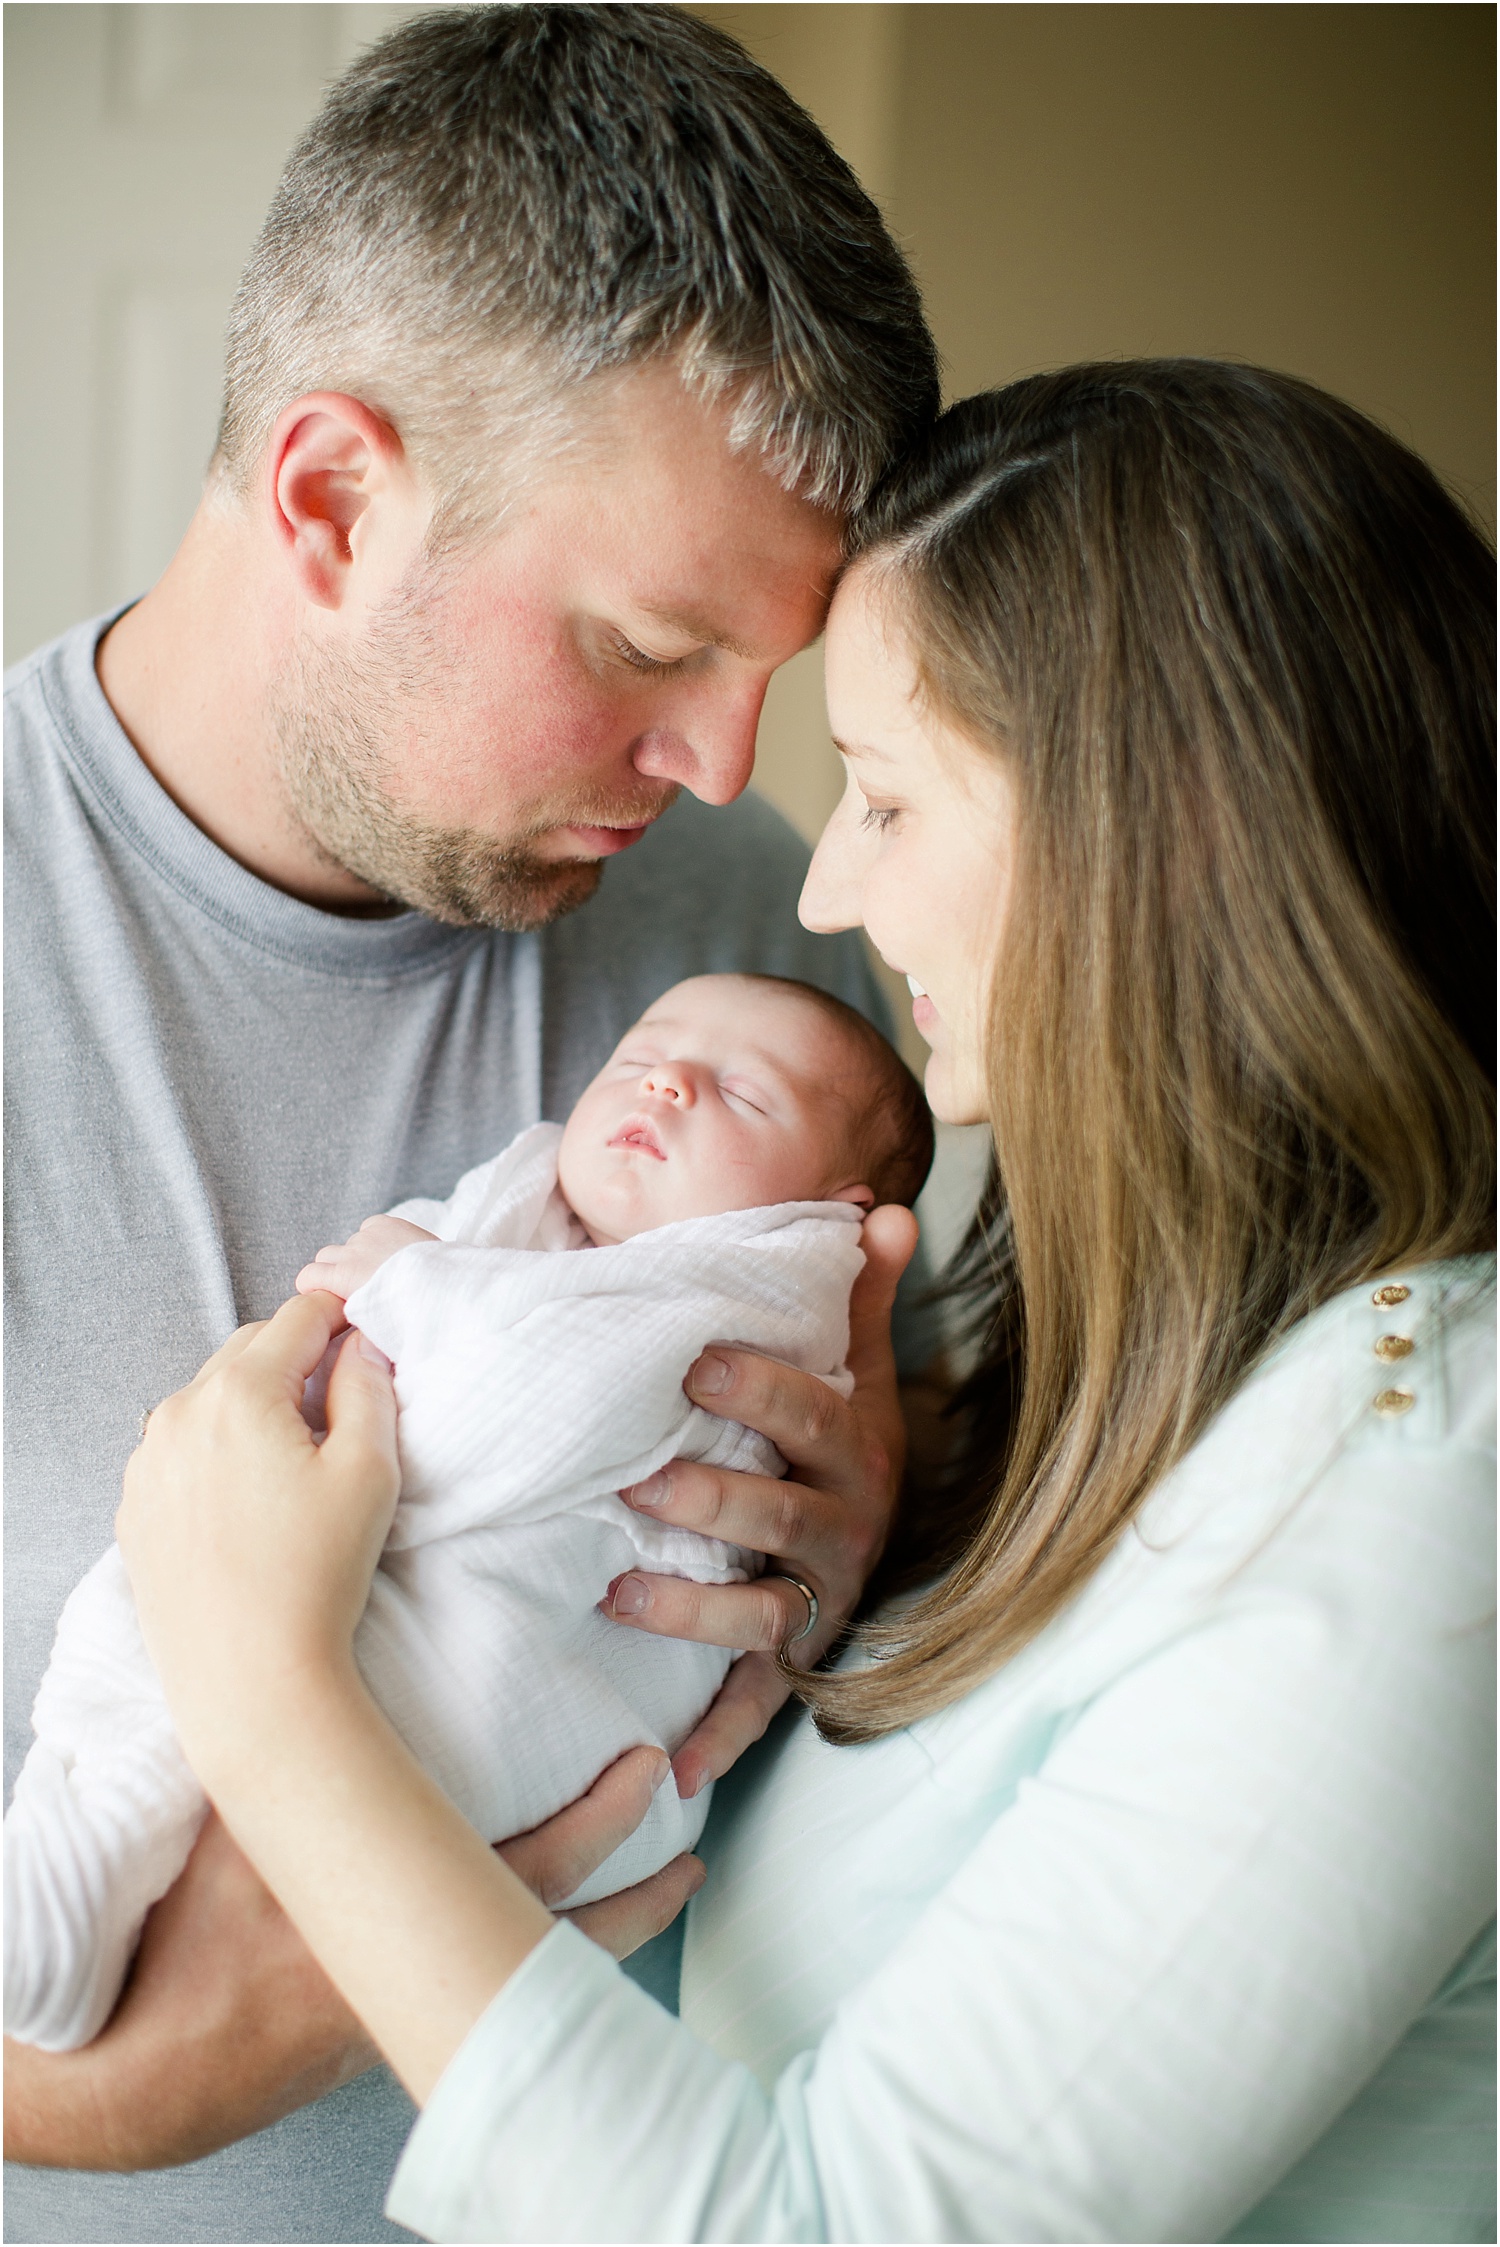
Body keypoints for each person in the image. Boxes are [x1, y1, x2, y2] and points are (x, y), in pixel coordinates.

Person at [120, 360, 1494, 2243]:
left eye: (888, 797)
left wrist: (265, 1691)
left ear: (1148, 840)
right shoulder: (1163, 1367)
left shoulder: (1432, 1489)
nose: (826, 889)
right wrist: (817, 1603)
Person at [3, 6, 941, 2238]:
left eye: (763, 678)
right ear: (331, 499)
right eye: (640, 645)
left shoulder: (745, 952)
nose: (727, 768)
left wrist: (888, 1525)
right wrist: (127, 2094)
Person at [9, 974, 931, 2055]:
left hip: (530, 1651)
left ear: (832, 1211)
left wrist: (417, 1287)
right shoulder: (523, 1208)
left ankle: (100, 1858)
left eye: (744, 1093)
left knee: (276, 1633)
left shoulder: (756, 1298)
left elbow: (529, 1424)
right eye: (639, 1054)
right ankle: (79, 1848)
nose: (668, 1081)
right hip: (371, 1597)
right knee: (149, 1589)